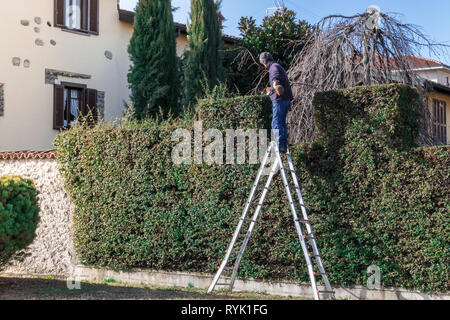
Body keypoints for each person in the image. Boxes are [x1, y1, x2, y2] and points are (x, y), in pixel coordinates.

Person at [259, 52, 293, 153]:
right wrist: (271, 90)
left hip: (280, 100)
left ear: (264, 62)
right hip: (285, 99)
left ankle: (279, 145)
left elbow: (275, 78)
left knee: (276, 122)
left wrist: (275, 84)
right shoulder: (277, 66)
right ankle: (282, 145)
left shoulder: (273, 67)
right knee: (281, 122)